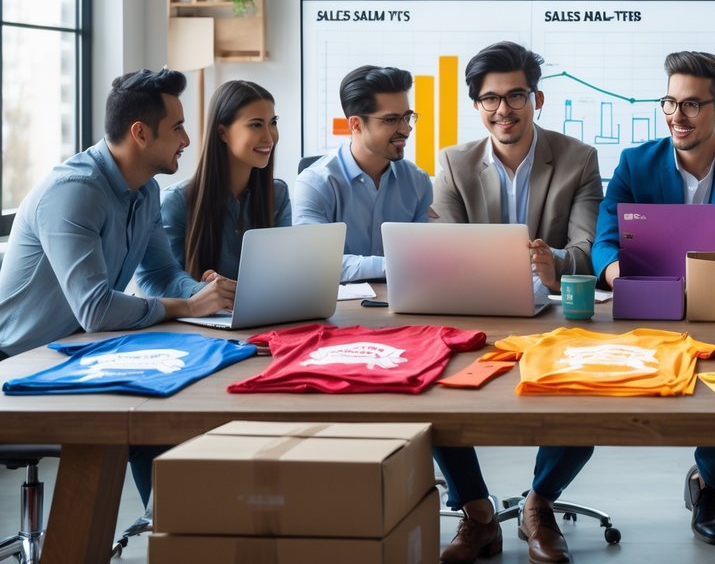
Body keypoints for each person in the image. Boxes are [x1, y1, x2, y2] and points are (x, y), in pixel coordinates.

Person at [0, 68, 236, 507]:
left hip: (79, 352)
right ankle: (177, 533)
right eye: (178, 128)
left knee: (178, 400)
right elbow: (95, 310)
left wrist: (209, 297)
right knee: (152, 419)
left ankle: (184, 532)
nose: (187, 140)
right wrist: (184, 306)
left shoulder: (143, 190)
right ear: (140, 133)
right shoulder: (74, 193)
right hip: (21, 362)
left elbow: (163, 272)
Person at [591, 51, 715, 547]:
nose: (676, 116)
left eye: (692, 105)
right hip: (649, 304)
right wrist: (617, 273)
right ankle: (542, 498)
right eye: (669, 103)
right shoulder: (636, 162)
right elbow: (605, 239)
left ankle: (707, 482)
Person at [430, 42, 602, 564]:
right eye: (490, 99)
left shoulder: (577, 158)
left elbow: (585, 250)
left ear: (537, 98)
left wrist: (555, 262)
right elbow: (444, 251)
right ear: (477, 105)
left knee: (588, 402)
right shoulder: (454, 163)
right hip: (475, 313)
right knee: (433, 394)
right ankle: (478, 512)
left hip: (550, 314)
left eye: (515, 95)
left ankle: (539, 504)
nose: (503, 109)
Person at [294, 65, 432, 281]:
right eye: (391, 120)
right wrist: (393, 266)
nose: (405, 130)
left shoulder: (418, 182)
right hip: (337, 311)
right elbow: (315, 263)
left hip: (404, 303)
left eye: (407, 117)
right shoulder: (314, 184)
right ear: (356, 124)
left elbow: (426, 255)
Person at [161, 80, 291, 279]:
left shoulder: (278, 194)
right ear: (223, 133)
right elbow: (164, 281)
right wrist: (204, 292)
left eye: (273, 123)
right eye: (256, 124)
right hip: (203, 311)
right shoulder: (176, 202)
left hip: (266, 309)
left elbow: (283, 274)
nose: (269, 137)